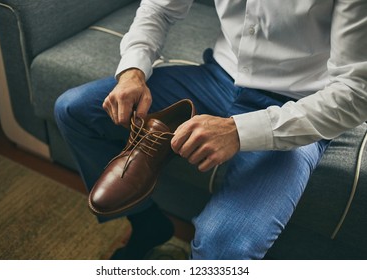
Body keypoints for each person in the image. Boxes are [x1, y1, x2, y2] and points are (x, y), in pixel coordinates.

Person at [54, 0, 367, 259]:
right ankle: (147, 223)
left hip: (295, 105)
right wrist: (132, 72)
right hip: (217, 78)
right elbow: (159, 8)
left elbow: (354, 93)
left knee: (226, 246)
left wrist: (239, 131)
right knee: (74, 109)